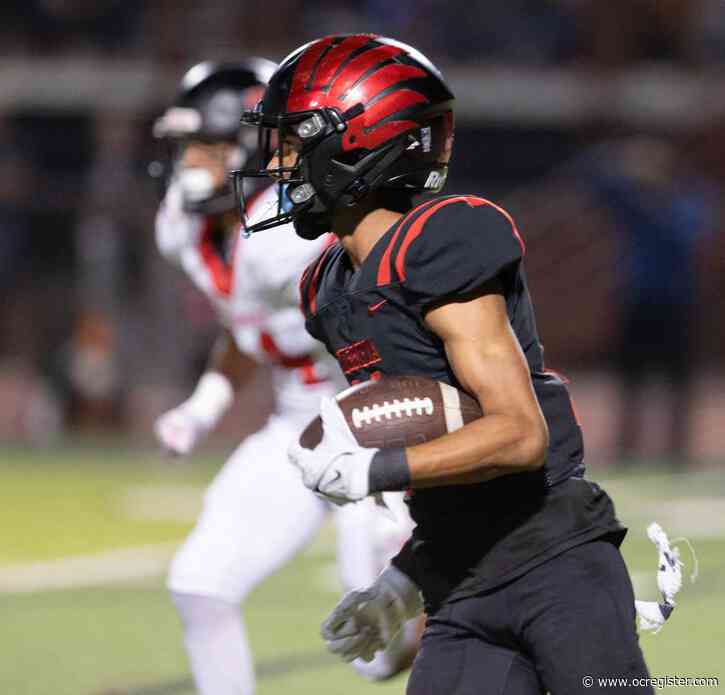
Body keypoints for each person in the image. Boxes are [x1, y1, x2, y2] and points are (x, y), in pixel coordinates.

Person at [234, 35, 653, 693]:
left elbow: (516, 434)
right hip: (461, 584)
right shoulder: (329, 289)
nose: (277, 165)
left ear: (357, 142)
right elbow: (441, 447)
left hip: (556, 570)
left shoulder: (438, 242)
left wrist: (374, 467)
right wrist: (404, 581)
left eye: (291, 142)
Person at [153, 60, 417, 695]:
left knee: (379, 649)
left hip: (380, 418)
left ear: (255, 148)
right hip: (301, 423)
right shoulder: (185, 227)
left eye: (205, 146)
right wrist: (204, 405)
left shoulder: (304, 228)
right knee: (202, 584)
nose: (189, 162)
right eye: (186, 146)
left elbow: (416, 314)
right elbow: (249, 331)